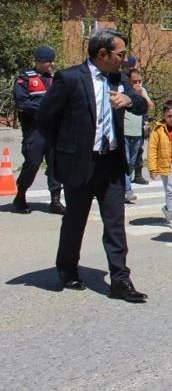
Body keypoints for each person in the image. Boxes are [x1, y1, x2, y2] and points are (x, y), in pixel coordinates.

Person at [37, 28, 148, 302]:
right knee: (75, 220)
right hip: (81, 163)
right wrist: (63, 152)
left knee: (115, 223)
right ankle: (67, 269)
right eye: (120, 53)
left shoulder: (119, 79)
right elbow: (45, 119)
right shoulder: (70, 78)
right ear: (103, 53)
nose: (124, 59)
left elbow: (143, 104)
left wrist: (129, 99)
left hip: (110, 164)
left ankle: (120, 281)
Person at [12, 45, 65, 215]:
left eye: (52, 60)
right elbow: (22, 103)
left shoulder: (56, 79)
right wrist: (43, 111)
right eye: (48, 61)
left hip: (53, 130)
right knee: (33, 163)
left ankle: (55, 200)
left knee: (55, 165)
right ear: (38, 62)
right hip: (35, 130)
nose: (52, 64)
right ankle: (21, 195)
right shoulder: (24, 79)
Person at [147, 99, 172, 230]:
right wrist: (153, 168)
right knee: (171, 191)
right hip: (166, 165)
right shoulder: (158, 130)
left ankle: (168, 208)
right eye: (169, 116)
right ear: (164, 115)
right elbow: (152, 149)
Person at [122, 67, 154, 203]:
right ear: (128, 80)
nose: (137, 84)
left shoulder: (141, 91)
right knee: (124, 161)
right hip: (124, 132)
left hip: (137, 132)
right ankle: (127, 190)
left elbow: (150, 107)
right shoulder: (124, 91)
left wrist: (143, 95)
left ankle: (123, 187)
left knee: (131, 163)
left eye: (140, 81)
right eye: (134, 81)